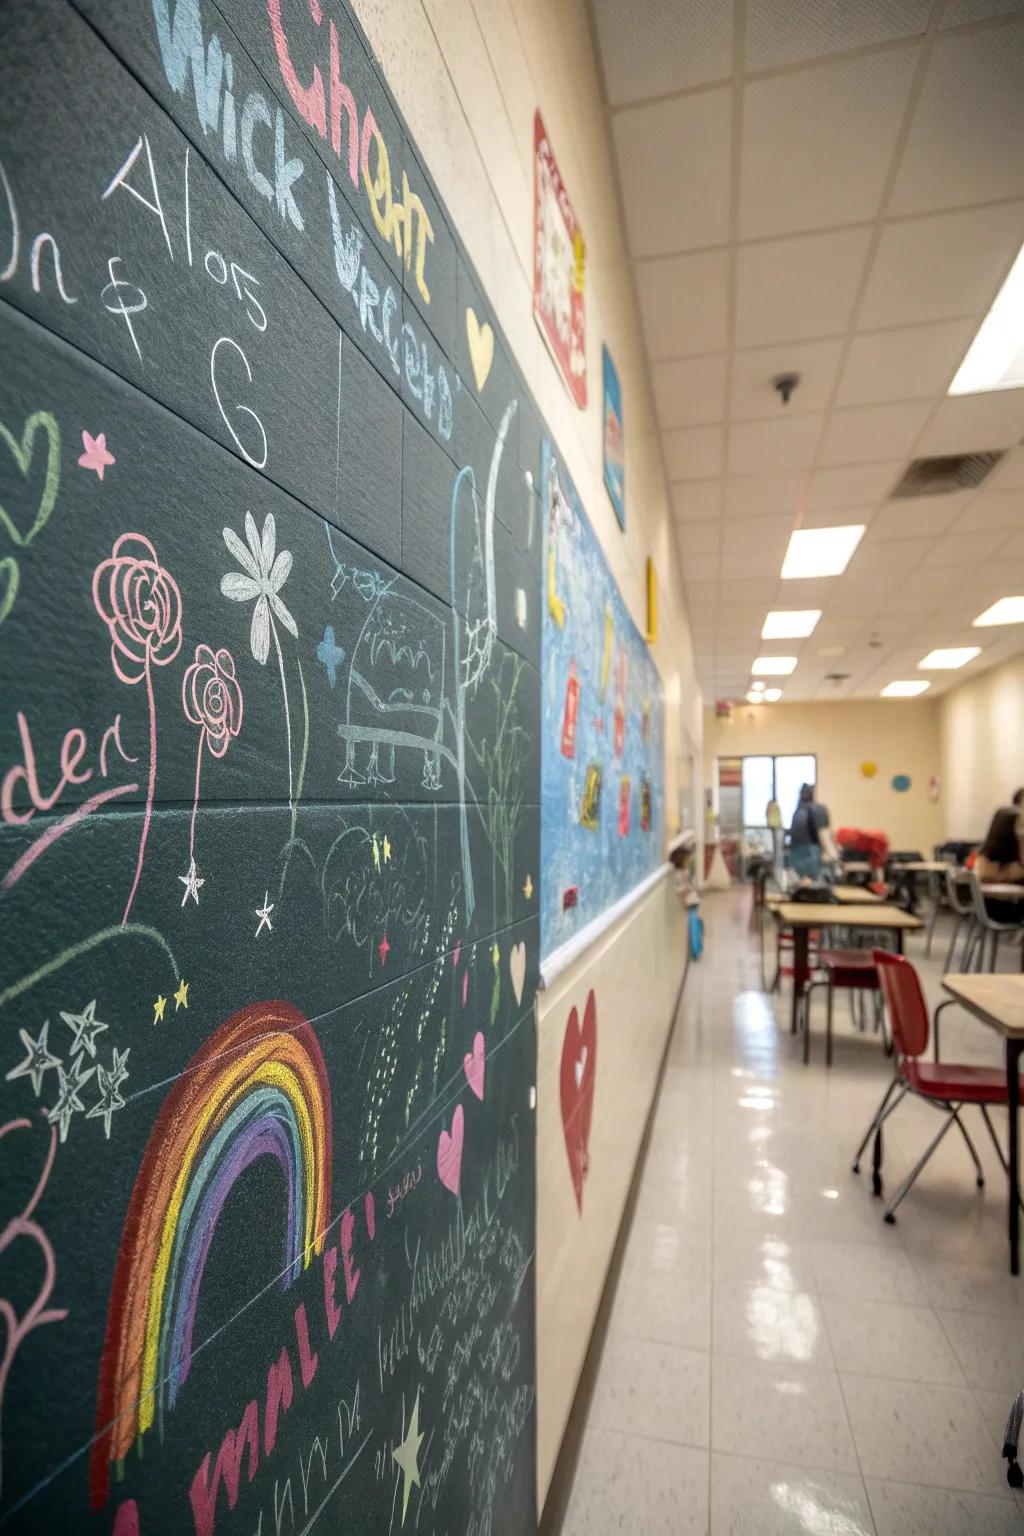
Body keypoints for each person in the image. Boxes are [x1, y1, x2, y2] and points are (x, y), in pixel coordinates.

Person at [975, 805, 1024, 921]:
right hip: (1000, 907)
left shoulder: (988, 852)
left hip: (994, 906)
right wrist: (1007, 875)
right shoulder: (991, 855)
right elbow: (984, 875)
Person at [788, 783, 831, 880]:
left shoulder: (798, 812)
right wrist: (830, 854)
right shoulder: (817, 809)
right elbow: (824, 835)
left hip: (796, 857)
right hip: (810, 855)